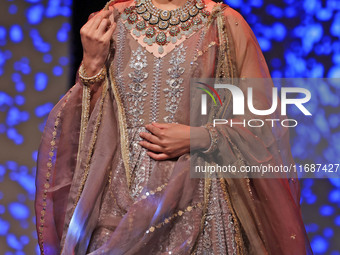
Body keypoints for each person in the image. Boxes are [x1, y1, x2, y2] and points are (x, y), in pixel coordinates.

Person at [35, 0, 313, 254]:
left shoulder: (223, 23)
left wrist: (201, 137)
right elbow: (85, 125)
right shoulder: (110, 20)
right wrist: (91, 65)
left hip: (200, 205)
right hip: (118, 206)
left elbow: (263, 124)